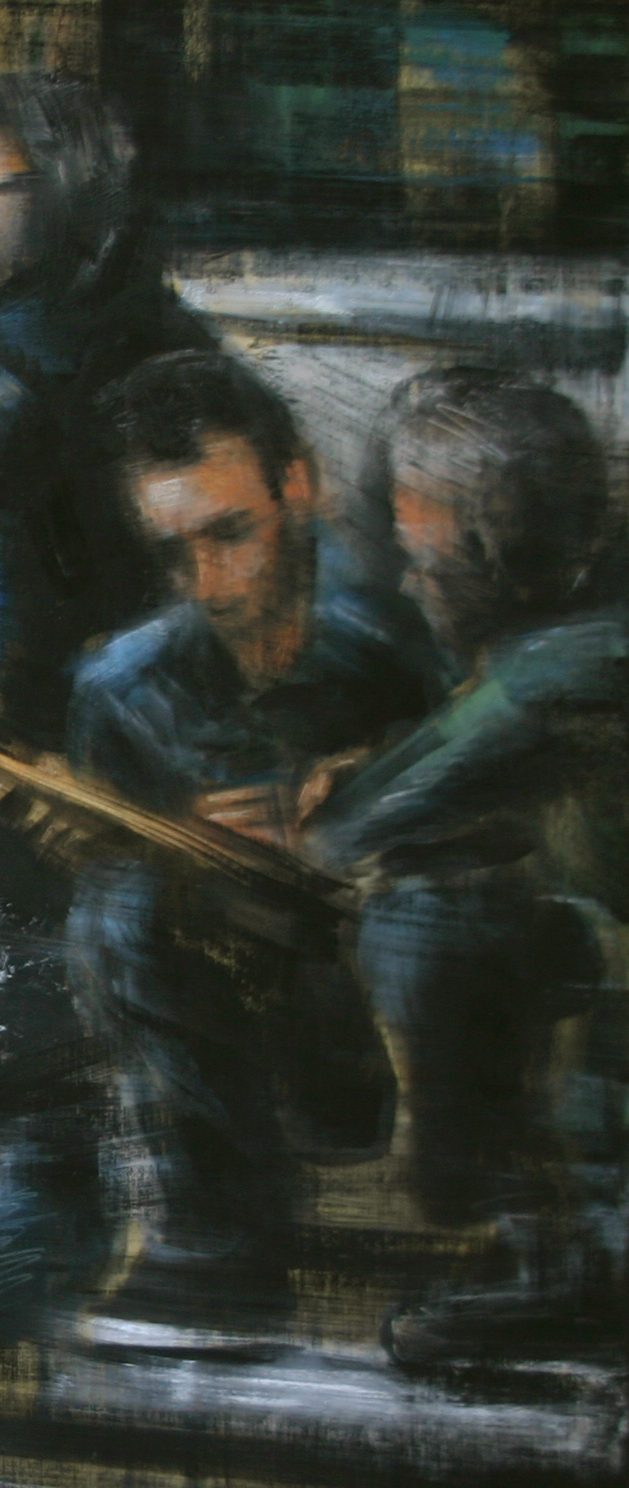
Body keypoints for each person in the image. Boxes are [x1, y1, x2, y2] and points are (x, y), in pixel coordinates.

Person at [63, 350, 441, 1356]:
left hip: (368, 1003)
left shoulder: (402, 641)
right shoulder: (123, 689)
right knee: (121, 905)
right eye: (173, 550)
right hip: (222, 1014)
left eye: (231, 533)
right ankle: (214, 1245)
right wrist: (184, 859)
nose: (209, 584)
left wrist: (347, 823)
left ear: (297, 486)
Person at [303, 369, 628, 1367]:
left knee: (429, 924)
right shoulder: (582, 619)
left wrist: (351, 801)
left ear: (503, 562)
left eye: (427, 564)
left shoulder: (561, 666)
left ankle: (568, 1272)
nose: (409, 585)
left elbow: (354, 826)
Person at [0, 75, 220, 785]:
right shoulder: (135, 305)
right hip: (115, 697)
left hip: (74, 725)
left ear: (57, 191)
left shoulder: (33, 342)